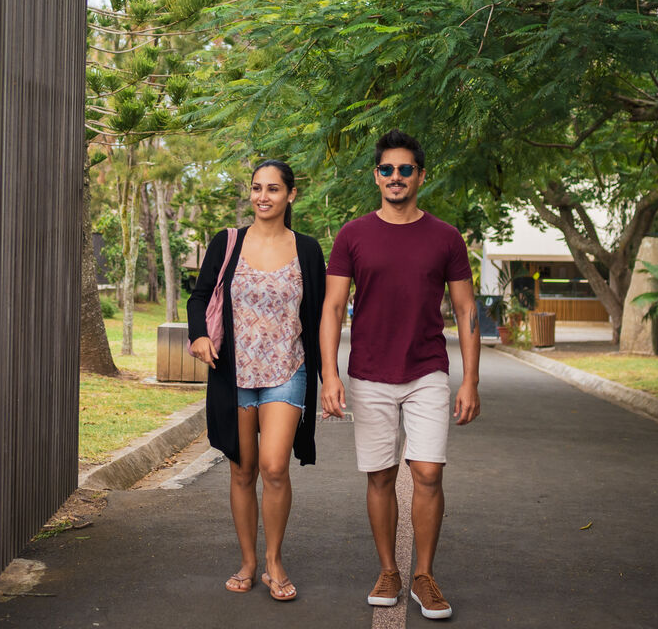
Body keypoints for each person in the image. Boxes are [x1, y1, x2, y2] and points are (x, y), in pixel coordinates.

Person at [320, 129, 481, 621]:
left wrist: (470, 380)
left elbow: (466, 309)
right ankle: (389, 568)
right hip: (368, 372)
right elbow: (332, 307)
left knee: (428, 472)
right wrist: (331, 374)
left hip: (427, 369)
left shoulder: (446, 237)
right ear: (376, 176)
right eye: (387, 169)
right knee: (381, 474)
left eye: (405, 169)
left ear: (420, 176)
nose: (395, 177)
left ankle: (424, 575)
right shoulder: (352, 235)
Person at [188, 159, 327, 602]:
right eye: (256, 188)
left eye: (272, 189)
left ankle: (274, 560)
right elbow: (199, 296)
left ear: (291, 195)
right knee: (243, 469)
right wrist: (199, 336)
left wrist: (332, 376)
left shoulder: (307, 248)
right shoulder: (228, 242)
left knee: (274, 467)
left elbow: (321, 313)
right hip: (235, 373)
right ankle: (248, 560)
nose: (262, 196)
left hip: (288, 369)